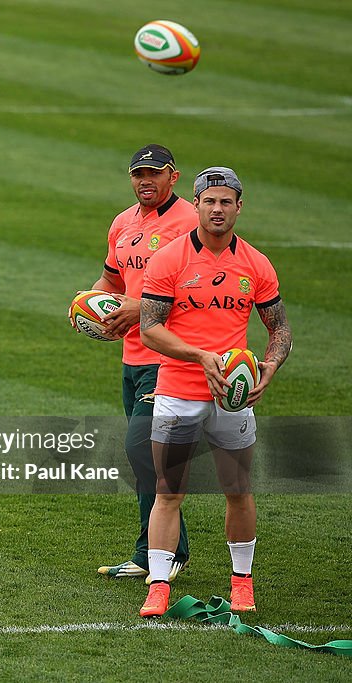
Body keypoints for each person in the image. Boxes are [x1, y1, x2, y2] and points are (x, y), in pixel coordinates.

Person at [138, 167, 292, 617]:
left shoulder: (256, 263)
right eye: (210, 201)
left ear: (239, 207)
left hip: (234, 397)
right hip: (178, 391)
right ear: (197, 204)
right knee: (169, 492)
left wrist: (271, 365)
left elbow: (279, 326)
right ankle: (159, 585)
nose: (218, 209)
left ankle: (242, 580)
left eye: (226, 202)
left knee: (238, 488)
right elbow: (150, 330)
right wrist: (201, 357)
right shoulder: (169, 259)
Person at [81, 144, 196, 583]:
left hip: (168, 357)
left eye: (155, 172)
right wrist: (92, 307)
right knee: (145, 456)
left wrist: (137, 307)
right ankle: (159, 550)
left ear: (174, 176)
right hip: (132, 357)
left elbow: (192, 291)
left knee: (141, 450)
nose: (145, 180)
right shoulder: (123, 223)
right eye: (138, 173)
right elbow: (110, 279)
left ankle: (160, 552)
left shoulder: (189, 223)